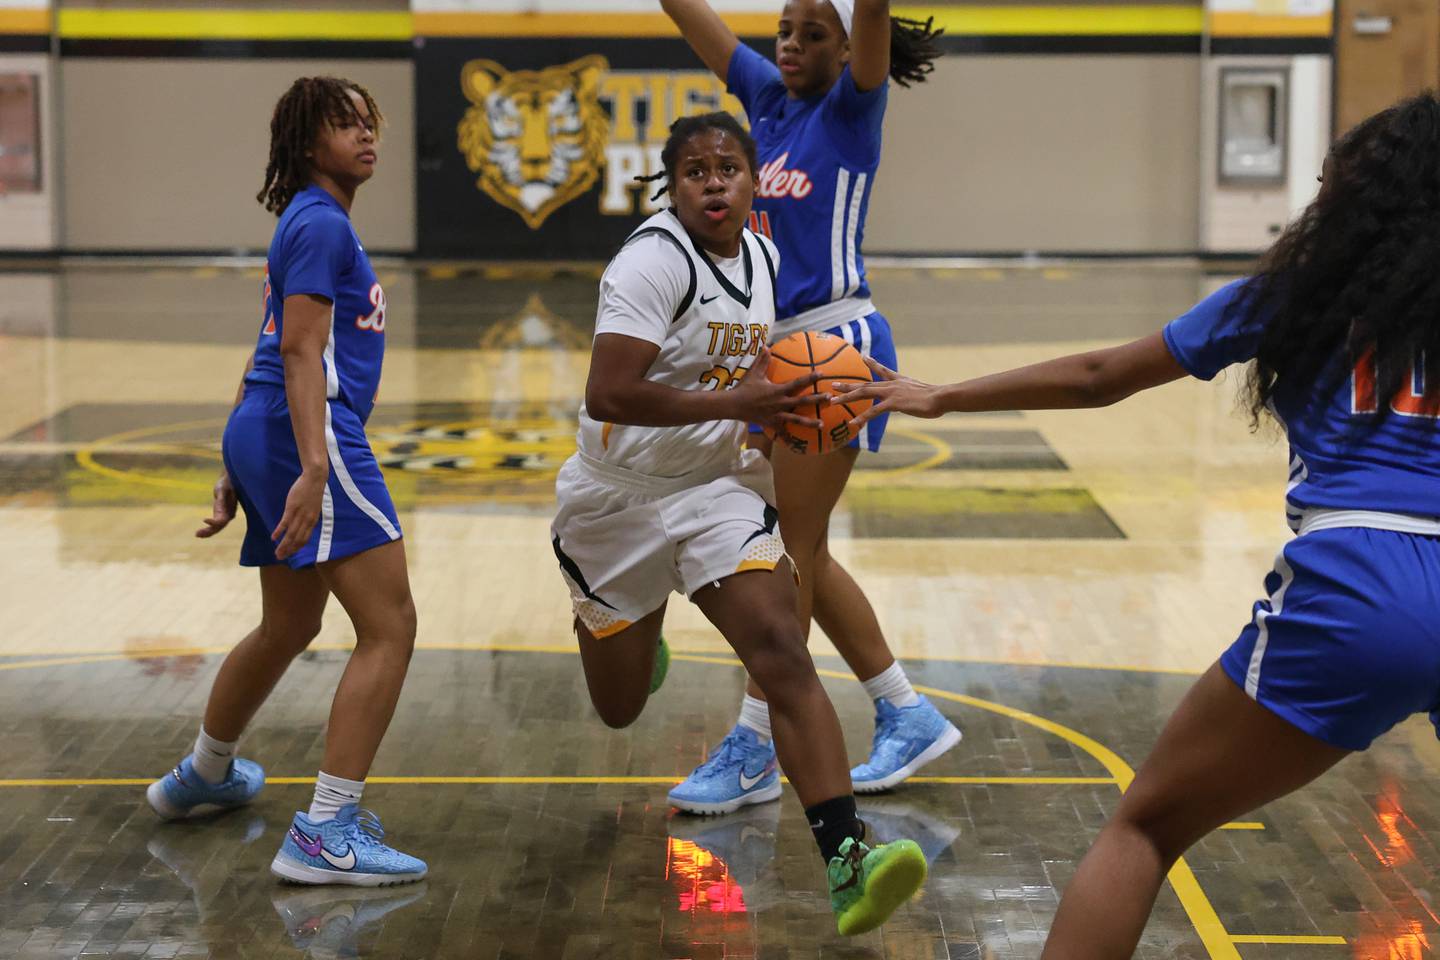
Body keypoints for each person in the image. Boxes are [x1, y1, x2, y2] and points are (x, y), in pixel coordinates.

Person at [835, 91, 1440, 957]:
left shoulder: (1298, 291)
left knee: (1144, 830)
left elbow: (1097, 375)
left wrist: (943, 394)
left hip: (1363, 586)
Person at [552, 110, 926, 935]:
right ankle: (638, 643)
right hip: (613, 501)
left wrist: (772, 410)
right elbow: (606, 394)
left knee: (782, 649)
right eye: (694, 171)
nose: (713, 181)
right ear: (672, 186)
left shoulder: (759, 254)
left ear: (753, 181)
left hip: (711, 490)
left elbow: (747, 361)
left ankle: (848, 861)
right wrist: (737, 401)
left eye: (727, 167)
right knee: (617, 709)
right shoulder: (651, 263)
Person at [659, 0, 960, 814]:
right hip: (771, 353)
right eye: (786, 30)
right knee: (801, 550)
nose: (791, 44)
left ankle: (759, 739)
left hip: (832, 345)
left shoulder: (853, 108)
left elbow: (869, 16)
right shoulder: (763, 97)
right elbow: (693, 18)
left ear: (848, 50)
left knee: (786, 549)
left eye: (813, 35)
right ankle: (904, 708)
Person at [145, 76, 426, 887]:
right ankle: (327, 831)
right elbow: (300, 352)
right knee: (392, 624)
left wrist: (238, 456)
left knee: (288, 624)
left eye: (369, 122)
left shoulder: (312, 222)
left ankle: (204, 771)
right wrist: (307, 466)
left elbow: (269, 339)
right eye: (345, 125)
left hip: (264, 425)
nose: (366, 135)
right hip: (306, 431)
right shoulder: (319, 224)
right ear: (310, 144)